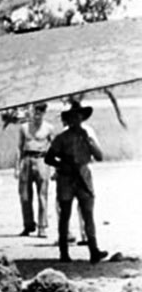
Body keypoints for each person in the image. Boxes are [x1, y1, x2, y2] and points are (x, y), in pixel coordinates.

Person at [45, 100, 108, 263]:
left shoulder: (87, 135)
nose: (76, 119)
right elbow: (49, 157)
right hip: (66, 179)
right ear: (69, 119)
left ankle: (94, 250)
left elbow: (99, 156)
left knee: (88, 215)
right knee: (65, 215)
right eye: (72, 116)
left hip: (83, 177)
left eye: (78, 116)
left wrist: (89, 142)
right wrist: (62, 165)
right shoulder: (61, 138)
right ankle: (64, 252)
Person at [16, 102, 55, 237]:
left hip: (42, 160)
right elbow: (19, 148)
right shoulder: (24, 127)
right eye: (36, 110)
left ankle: (42, 226)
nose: (38, 113)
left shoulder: (49, 128)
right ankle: (28, 225)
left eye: (41, 110)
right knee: (25, 195)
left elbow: (54, 148)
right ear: (32, 111)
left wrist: (54, 167)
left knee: (42, 196)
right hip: (27, 160)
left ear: (45, 112)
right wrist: (17, 167)